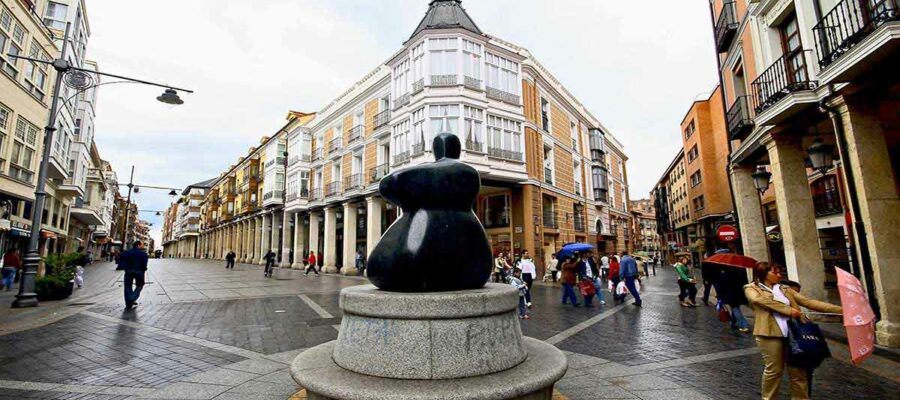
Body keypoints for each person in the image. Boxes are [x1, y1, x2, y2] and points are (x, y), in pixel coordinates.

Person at [744, 262, 842, 400]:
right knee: (774, 371)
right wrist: (789, 310)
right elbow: (760, 301)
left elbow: (810, 302)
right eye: (775, 272)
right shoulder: (752, 288)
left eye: (780, 272)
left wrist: (842, 310)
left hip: (795, 333)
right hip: (769, 334)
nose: (779, 275)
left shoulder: (785, 289)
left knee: (798, 371)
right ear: (764, 274)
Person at [119, 241, 149, 309]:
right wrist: (144, 269)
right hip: (139, 271)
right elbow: (144, 264)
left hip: (128, 271)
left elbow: (121, 257)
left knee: (127, 286)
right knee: (140, 285)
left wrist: (124, 267)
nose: (143, 246)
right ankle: (132, 298)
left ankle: (128, 304)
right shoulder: (143, 254)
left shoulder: (127, 252)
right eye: (142, 244)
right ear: (138, 245)